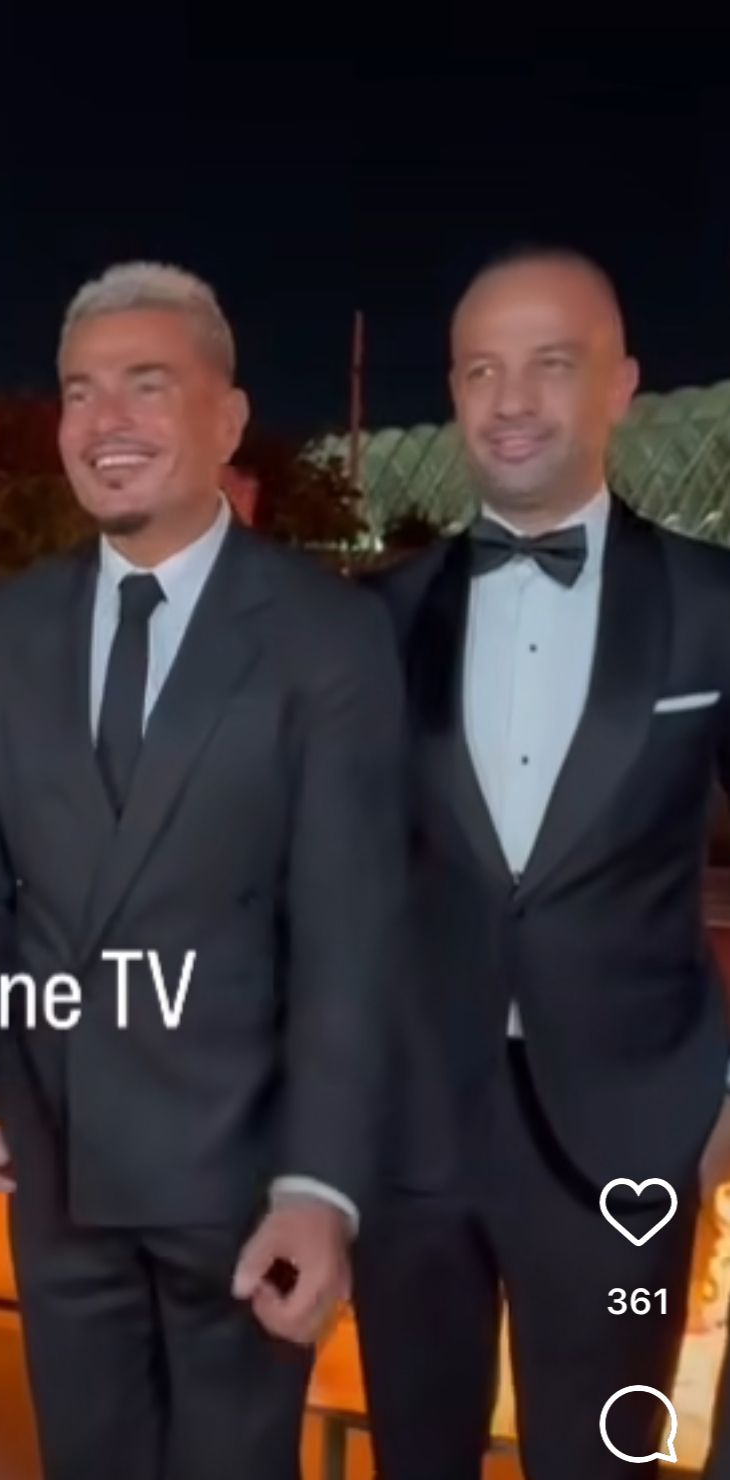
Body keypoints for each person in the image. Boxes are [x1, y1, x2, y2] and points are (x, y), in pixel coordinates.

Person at [0, 261, 407, 1480]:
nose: (106, 420)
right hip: (55, 1174)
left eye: (147, 384)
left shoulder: (328, 634)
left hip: (244, 1188)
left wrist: (319, 1186)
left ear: (227, 420)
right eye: (81, 391)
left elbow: (347, 933)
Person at [354, 244, 730, 1480]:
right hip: (410, 1136)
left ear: (619, 384)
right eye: (480, 370)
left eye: (549, 365)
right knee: (417, 1454)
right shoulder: (376, 616)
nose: (509, 400)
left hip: (632, 1136)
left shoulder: (714, 605)